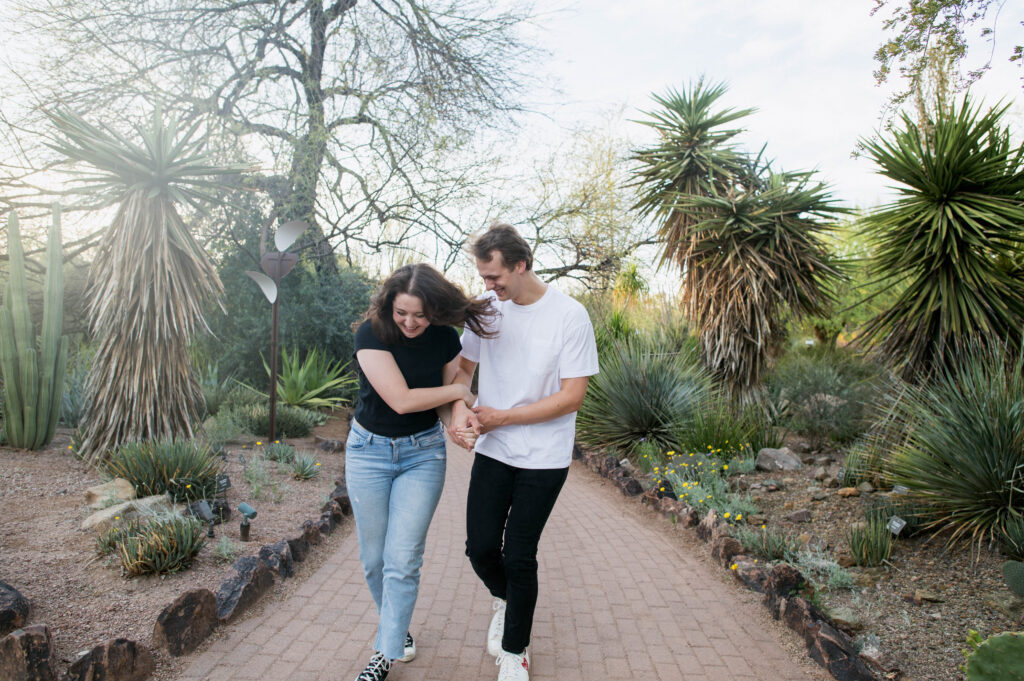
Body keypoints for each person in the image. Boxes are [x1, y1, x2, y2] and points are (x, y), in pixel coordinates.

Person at [448, 223, 599, 681]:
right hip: (495, 451)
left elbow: (572, 396)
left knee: (519, 554)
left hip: (545, 458)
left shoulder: (570, 316)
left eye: (494, 277)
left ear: (521, 265)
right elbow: (461, 375)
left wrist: (502, 417)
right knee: (479, 549)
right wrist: (459, 413)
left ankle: (515, 651)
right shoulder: (489, 311)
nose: (488, 288)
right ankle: (507, 599)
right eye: (482, 278)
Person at [346, 263, 493, 681]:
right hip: (368, 452)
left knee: (403, 558)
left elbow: (447, 406)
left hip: (421, 455)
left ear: (435, 310)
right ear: (389, 305)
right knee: (374, 559)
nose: (410, 323)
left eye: (420, 314)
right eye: (402, 312)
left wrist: (459, 424)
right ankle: (399, 630)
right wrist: (462, 390)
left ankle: (384, 653)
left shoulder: (447, 339)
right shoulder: (371, 333)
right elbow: (402, 400)